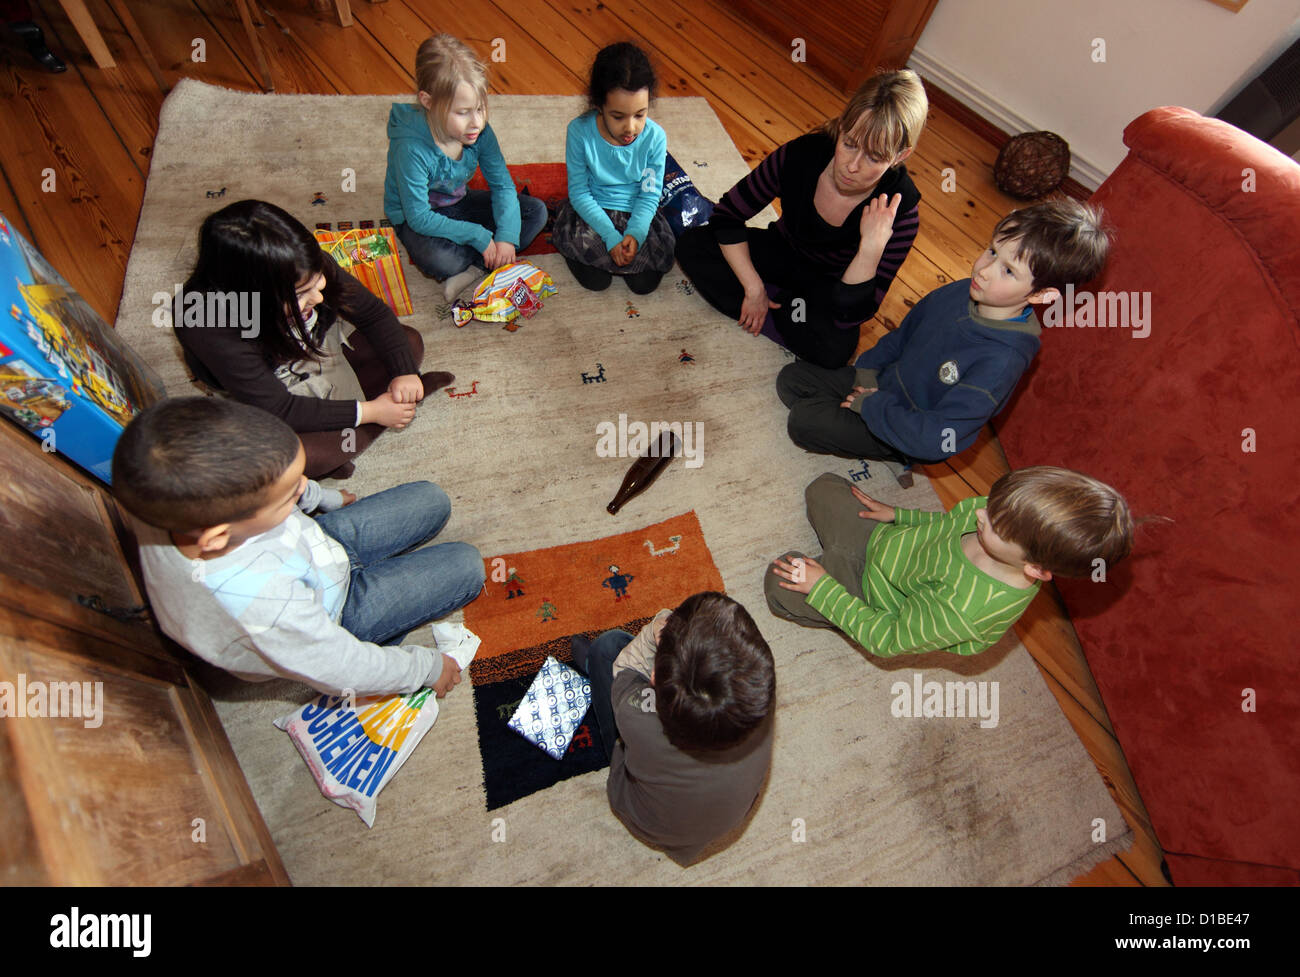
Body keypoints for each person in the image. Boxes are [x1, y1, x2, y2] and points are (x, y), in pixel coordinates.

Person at [112, 397, 485, 697]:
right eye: (287, 497)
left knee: (432, 499)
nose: (301, 488)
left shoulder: (170, 500)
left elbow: (277, 478)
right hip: (335, 616)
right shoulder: (262, 608)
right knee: (467, 566)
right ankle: (385, 633)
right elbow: (344, 667)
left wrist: (325, 498)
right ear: (218, 537)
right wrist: (425, 668)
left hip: (319, 547)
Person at [777, 198, 1110, 464]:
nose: (984, 269)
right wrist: (866, 377)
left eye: (1008, 270)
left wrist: (873, 408)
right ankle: (848, 410)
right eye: (993, 251)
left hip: (909, 426)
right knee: (791, 380)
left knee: (803, 422)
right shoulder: (962, 290)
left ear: (1041, 295)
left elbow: (940, 438)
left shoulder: (1001, 361)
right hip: (881, 385)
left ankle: (894, 457)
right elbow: (903, 335)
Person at [174, 199, 452, 481]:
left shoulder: (300, 264)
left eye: (317, 282)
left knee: (408, 343)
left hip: (316, 352)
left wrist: (404, 372)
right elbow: (279, 407)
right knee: (288, 462)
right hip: (267, 390)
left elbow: (373, 314)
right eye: (301, 294)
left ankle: (344, 444)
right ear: (257, 297)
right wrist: (371, 413)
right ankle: (351, 441)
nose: (318, 297)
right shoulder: (202, 319)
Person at [675, 69, 927, 367]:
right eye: (849, 143)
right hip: (781, 251)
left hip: (828, 286)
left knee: (835, 349)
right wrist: (753, 286)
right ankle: (775, 305)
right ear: (843, 124)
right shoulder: (802, 155)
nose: (852, 166)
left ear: (900, 155)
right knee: (691, 246)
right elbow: (727, 216)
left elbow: (853, 312)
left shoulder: (901, 212)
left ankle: (779, 307)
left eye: (874, 157)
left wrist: (870, 249)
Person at [766, 467, 1133, 657]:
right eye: (993, 502)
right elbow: (946, 524)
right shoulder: (992, 514)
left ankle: (843, 615)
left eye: (995, 523)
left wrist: (825, 591)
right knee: (823, 486)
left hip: (875, 598)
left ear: (1035, 569)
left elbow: (889, 640)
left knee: (777, 582)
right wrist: (899, 516)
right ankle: (834, 571)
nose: (981, 514)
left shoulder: (964, 611)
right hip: (887, 541)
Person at [570, 592, 775, 866]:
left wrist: (658, 629)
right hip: (713, 820)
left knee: (607, 648)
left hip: (651, 819)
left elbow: (626, 671)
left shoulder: (639, 716)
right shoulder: (758, 694)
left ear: (655, 682)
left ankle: (593, 667)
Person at [384, 33, 547, 300]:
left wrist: (505, 237)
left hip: (459, 202)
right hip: (418, 217)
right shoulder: (410, 148)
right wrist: (478, 235)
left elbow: (502, 184)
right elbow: (418, 217)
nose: (476, 123)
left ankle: (474, 267)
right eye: (462, 112)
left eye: (480, 108)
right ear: (428, 101)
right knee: (440, 260)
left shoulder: (479, 131)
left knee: (536, 212)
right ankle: (481, 260)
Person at [552, 42, 673, 295]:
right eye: (618, 117)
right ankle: (602, 256)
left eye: (640, 114)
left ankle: (620, 254)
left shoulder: (656, 137)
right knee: (596, 282)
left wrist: (636, 234)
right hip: (593, 213)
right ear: (598, 104)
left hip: (637, 212)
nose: (630, 128)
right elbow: (580, 193)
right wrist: (610, 236)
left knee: (645, 284)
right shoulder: (579, 131)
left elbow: (649, 195)